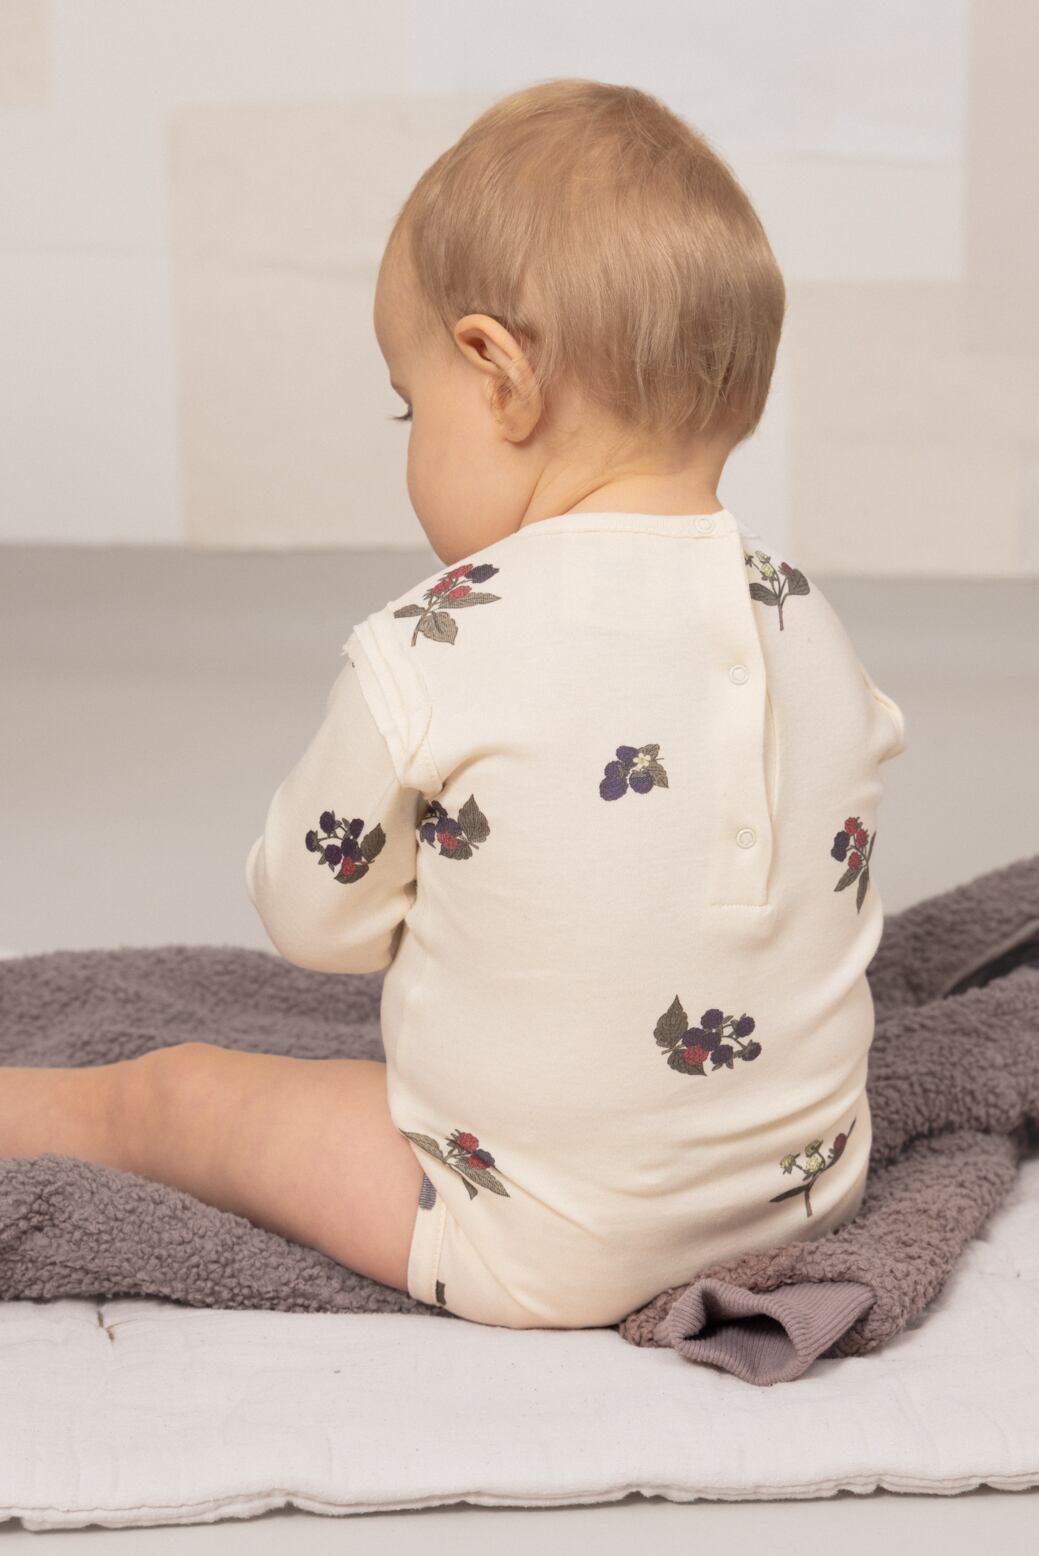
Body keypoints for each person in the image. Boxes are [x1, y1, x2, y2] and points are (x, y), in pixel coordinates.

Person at [0, 78, 906, 1330]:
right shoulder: (807, 615)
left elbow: (310, 917)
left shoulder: (437, 639)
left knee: (179, 1098)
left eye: (407, 401)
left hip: (530, 1236)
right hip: (804, 1194)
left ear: (496, 376)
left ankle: (42, 1110)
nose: (407, 434)